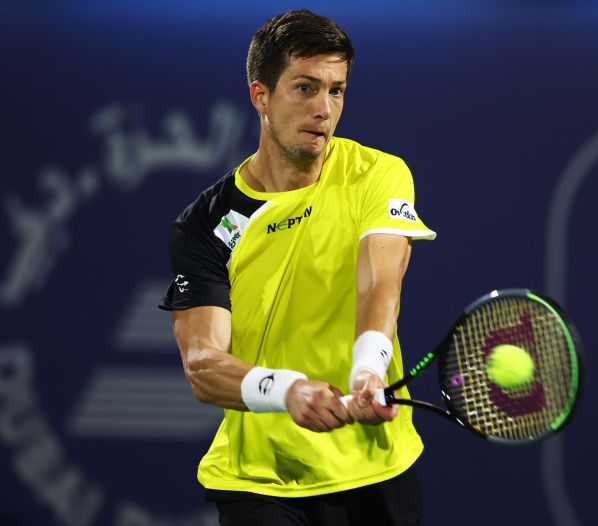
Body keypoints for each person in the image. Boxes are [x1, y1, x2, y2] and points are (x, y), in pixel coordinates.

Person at [159, 9, 436, 526]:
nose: (324, 109)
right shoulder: (206, 225)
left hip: (377, 466)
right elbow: (203, 364)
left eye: (336, 90)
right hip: (261, 480)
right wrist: (287, 391)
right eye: (305, 88)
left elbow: (380, 279)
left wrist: (368, 367)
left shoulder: (378, 173)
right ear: (260, 96)